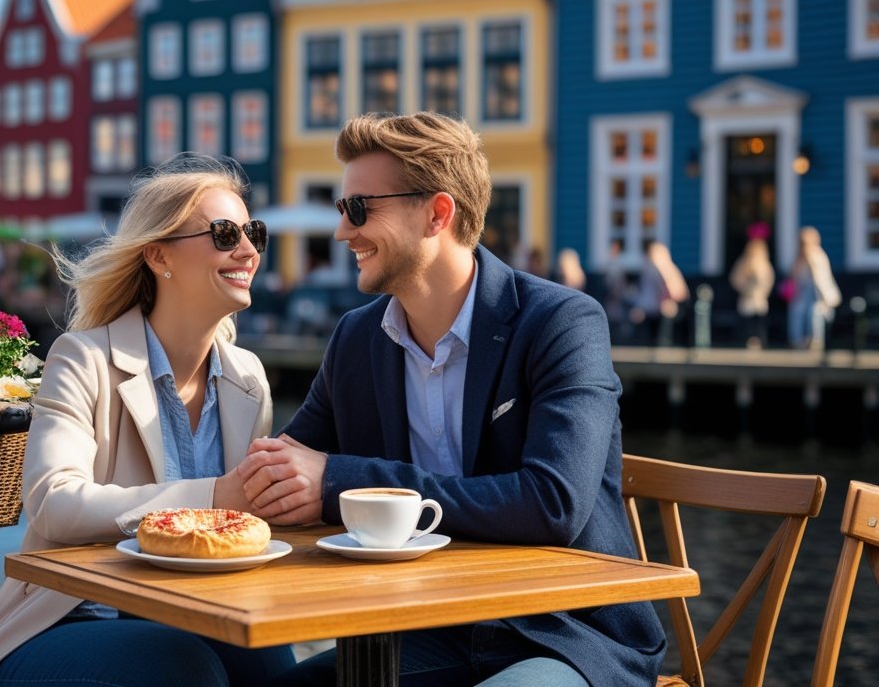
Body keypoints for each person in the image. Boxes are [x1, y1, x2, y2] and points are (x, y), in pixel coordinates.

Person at [238, 112, 665, 687]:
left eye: (360, 209)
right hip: (418, 627)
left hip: (561, 632)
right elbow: (284, 470)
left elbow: (551, 503)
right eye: (343, 210)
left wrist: (339, 482)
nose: (343, 232)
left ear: (438, 213)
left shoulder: (560, 323)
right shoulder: (357, 339)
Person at [0, 153, 295, 687]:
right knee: (187, 670)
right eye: (225, 233)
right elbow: (53, 504)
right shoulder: (82, 357)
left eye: (255, 233)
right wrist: (214, 497)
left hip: (188, 610)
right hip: (70, 614)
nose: (248, 250)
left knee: (274, 669)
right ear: (159, 255)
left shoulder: (248, 378)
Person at [786, 226, 841, 350]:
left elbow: (823, 278)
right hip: (801, 291)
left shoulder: (818, 255)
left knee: (814, 313)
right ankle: (796, 340)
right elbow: (793, 275)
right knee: (796, 311)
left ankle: (815, 341)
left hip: (817, 293)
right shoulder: (798, 258)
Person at [631, 241, 688, 347]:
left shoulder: (668, 270)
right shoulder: (647, 270)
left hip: (667, 307)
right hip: (649, 307)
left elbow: (678, 294)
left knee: (667, 310)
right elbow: (643, 293)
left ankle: (663, 346)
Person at [729, 237, 775, 349]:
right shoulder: (743, 263)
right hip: (746, 298)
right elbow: (735, 279)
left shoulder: (764, 264)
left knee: (760, 323)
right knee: (747, 323)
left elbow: (768, 281)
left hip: (759, 299)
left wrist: (762, 292)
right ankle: (746, 340)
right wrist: (745, 288)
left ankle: (761, 341)